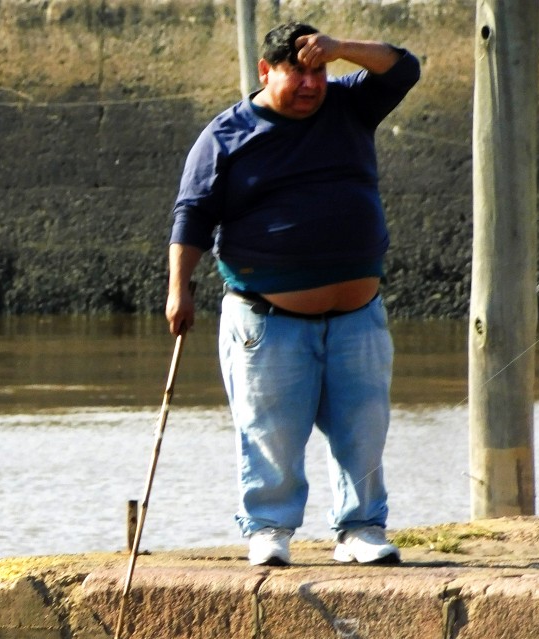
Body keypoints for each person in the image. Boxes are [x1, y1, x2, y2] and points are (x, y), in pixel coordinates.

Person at [166, 22, 420, 567]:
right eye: (297, 72)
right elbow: (191, 218)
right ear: (265, 72)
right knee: (270, 434)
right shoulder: (226, 135)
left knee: (364, 430)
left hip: (358, 315)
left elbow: (404, 68)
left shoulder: (350, 105)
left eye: (318, 71)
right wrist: (178, 292)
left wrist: (341, 48)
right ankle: (269, 529)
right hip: (267, 316)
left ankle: (360, 528)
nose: (310, 84)